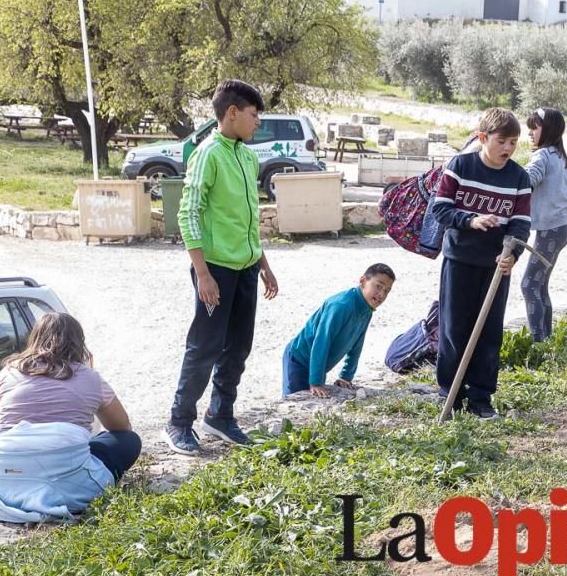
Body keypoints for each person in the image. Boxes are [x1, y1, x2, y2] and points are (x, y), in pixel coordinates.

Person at [165, 79, 279, 456]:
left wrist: (264, 264)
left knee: (238, 347)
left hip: (246, 268)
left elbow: (248, 219)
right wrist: (202, 273)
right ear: (232, 113)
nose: (257, 122)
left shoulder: (247, 157)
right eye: (253, 114)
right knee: (205, 346)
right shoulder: (208, 154)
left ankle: (220, 415)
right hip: (215, 271)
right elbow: (188, 214)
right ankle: (179, 422)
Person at [432, 108, 532, 420]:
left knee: (489, 333)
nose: (508, 149)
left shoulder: (519, 177)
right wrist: (470, 220)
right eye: (502, 141)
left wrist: (512, 256)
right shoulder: (460, 166)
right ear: (483, 138)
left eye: (513, 143)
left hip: (494, 268)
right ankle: (449, 395)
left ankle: (480, 398)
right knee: (454, 329)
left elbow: (520, 225)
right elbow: (441, 210)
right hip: (459, 261)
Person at [0, 313, 141, 522]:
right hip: (69, 481)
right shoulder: (91, 377)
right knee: (129, 440)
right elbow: (121, 426)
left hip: (6, 476)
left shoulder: (8, 373)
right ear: (79, 343)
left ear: (34, 338)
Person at [283, 264, 395, 396]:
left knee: (319, 398)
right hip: (299, 359)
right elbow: (321, 343)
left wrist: (346, 376)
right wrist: (316, 382)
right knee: (297, 399)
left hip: (318, 363)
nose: (381, 294)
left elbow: (357, 344)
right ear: (363, 281)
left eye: (387, 290)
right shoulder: (341, 306)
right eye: (378, 286)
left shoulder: (367, 310)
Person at [521, 107, 567, 341]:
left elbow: (527, 180)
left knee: (528, 285)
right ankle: (546, 339)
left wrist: (504, 175)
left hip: (549, 232)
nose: (529, 133)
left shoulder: (543, 156)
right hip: (561, 228)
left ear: (547, 130)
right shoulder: (562, 158)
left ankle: (539, 342)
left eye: (533, 128)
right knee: (540, 284)